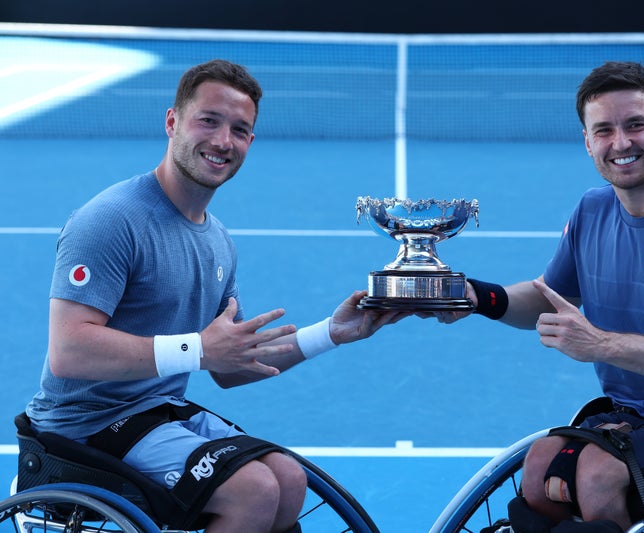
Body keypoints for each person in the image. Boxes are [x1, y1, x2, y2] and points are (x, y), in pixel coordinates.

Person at [25, 59, 404, 533]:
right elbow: (69, 352)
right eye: (209, 120)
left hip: (153, 415)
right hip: (83, 429)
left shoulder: (218, 240)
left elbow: (231, 365)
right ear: (172, 122)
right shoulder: (110, 220)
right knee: (254, 489)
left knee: (287, 478)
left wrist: (332, 333)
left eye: (240, 129)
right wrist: (198, 349)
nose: (223, 141)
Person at [430, 61, 644, 533]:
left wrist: (601, 345)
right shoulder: (592, 209)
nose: (621, 143)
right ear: (588, 142)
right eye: (604, 130)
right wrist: (473, 297)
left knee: (597, 474)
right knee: (538, 469)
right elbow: (550, 298)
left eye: (636, 125)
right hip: (628, 413)